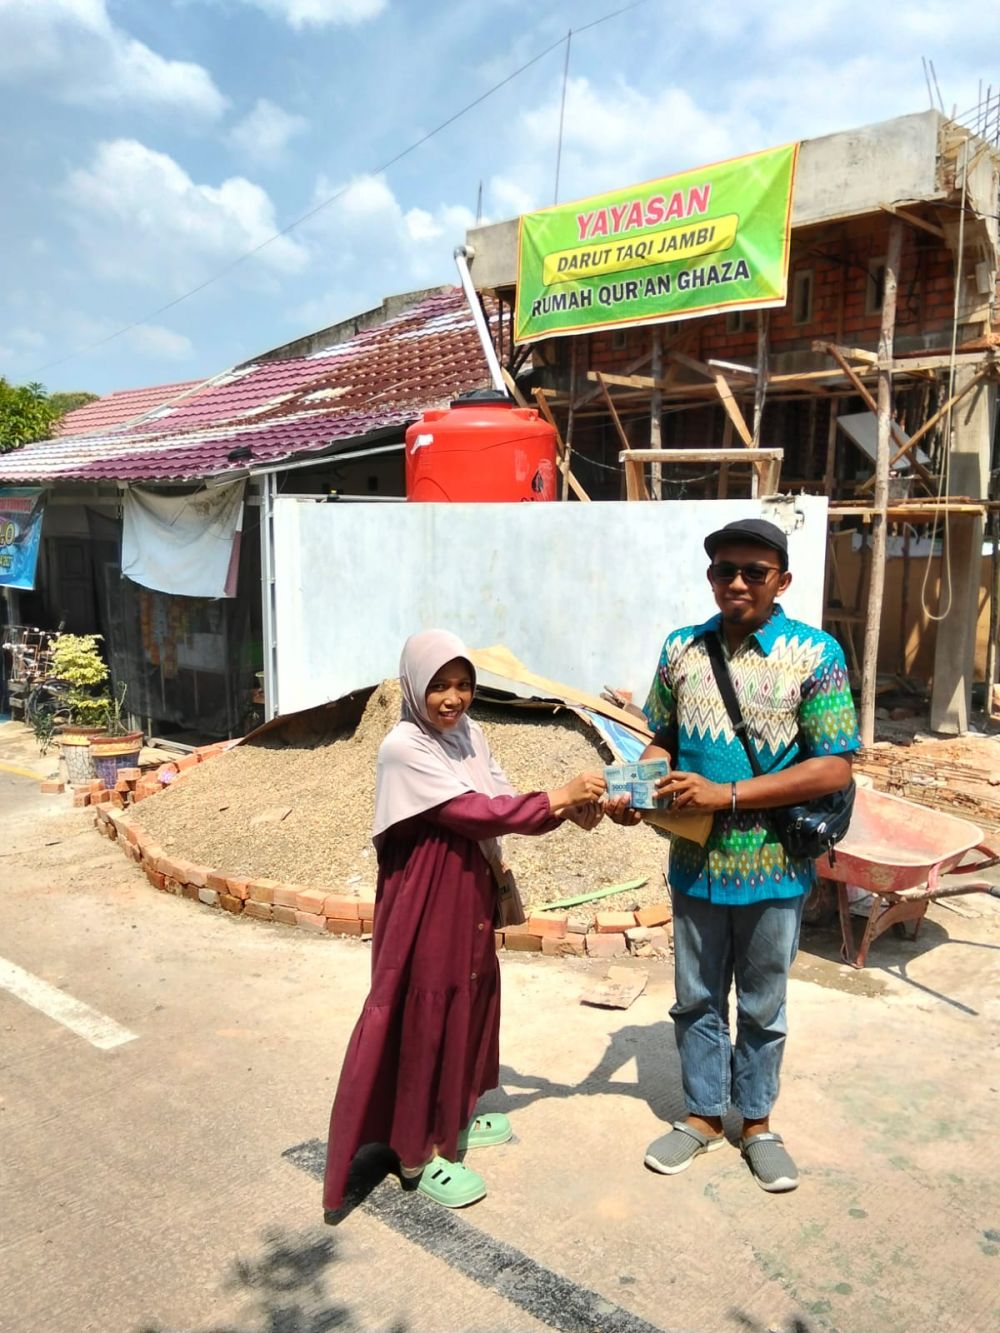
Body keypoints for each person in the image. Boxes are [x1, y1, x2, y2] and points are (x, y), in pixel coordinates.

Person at [606, 518, 859, 1192]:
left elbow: (833, 767)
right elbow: (661, 735)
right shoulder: (682, 649)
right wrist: (633, 788)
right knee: (695, 998)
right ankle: (702, 1117)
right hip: (694, 864)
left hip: (774, 865)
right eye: (725, 570)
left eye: (754, 570)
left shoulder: (816, 652)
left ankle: (757, 1122)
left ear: (782, 579)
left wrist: (728, 792)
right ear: (710, 576)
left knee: (764, 1003)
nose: (738, 582)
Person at [323, 629, 606, 1213]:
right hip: (427, 896)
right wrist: (557, 795)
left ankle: (451, 1120)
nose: (453, 699)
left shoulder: (470, 735)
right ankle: (415, 1153)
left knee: (469, 997)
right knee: (426, 1009)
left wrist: (572, 811)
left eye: (463, 685)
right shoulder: (403, 746)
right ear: (413, 686)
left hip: (470, 889)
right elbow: (471, 811)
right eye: (439, 687)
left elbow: (502, 801)